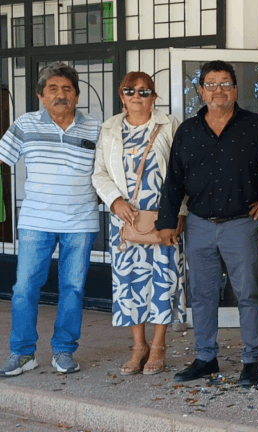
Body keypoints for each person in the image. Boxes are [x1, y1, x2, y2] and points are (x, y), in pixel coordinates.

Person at [155, 60, 258, 386]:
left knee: (249, 294)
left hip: (242, 224)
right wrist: (166, 221)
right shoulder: (188, 130)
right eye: (211, 84)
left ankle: (253, 360)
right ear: (201, 91)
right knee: (202, 295)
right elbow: (174, 179)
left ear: (235, 89)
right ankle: (205, 357)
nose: (219, 90)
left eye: (225, 83)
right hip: (199, 224)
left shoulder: (257, 127)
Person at [0, 63, 101, 376]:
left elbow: (107, 171)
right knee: (24, 289)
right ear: (41, 96)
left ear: (77, 95)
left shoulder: (95, 128)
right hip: (36, 220)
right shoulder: (25, 124)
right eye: (53, 89)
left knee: (73, 288)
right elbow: (2, 158)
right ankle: (22, 353)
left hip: (80, 221)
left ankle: (63, 351)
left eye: (67, 89)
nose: (61, 95)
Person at [92, 72, 186, 376]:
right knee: (129, 282)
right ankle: (138, 346)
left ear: (154, 97)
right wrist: (114, 201)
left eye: (144, 91)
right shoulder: (109, 129)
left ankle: (158, 346)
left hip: (163, 219)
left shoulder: (169, 125)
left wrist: (181, 212)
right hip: (126, 220)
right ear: (122, 96)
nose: (137, 96)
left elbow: (182, 170)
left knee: (163, 280)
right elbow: (99, 173)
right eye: (130, 90)